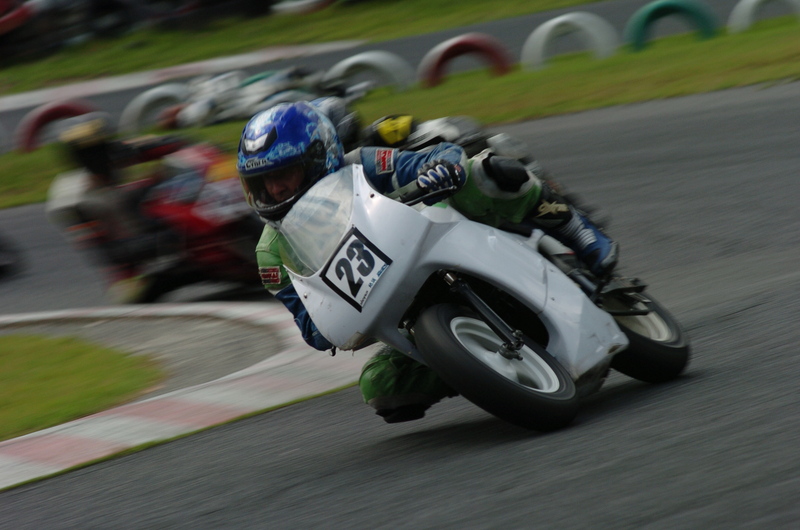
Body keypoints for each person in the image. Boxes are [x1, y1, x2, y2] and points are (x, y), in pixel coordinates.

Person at [237, 100, 618, 423]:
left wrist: (443, 167)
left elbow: (435, 155)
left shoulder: (362, 165)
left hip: (441, 239)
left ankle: (579, 230)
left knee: (484, 172)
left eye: (284, 173)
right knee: (379, 386)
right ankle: (480, 366)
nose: (274, 189)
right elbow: (309, 327)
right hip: (401, 311)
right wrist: (329, 319)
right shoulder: (271, 254)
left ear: (320, 157)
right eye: (263, 181)